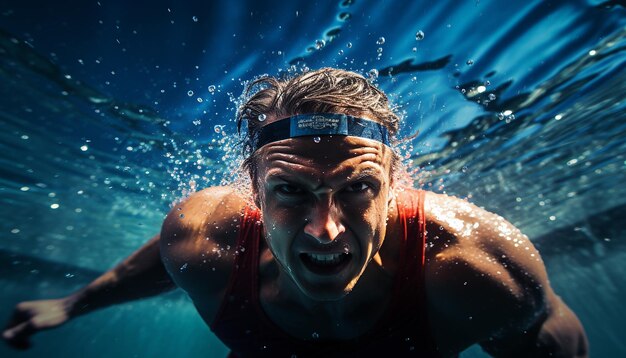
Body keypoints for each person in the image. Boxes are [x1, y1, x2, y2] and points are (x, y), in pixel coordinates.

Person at [3, 68, 588, 357]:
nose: (326, 228)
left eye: (358, 187)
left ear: (395, 185)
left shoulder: (479, 266)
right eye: (291, 191)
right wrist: (74, 303)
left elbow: (547, 335)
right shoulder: (202, 236)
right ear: (252, 191)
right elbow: (164, 260)